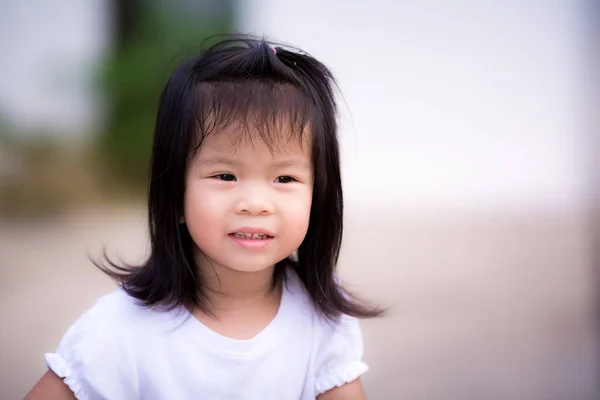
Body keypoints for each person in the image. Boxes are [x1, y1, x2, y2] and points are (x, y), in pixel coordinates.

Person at [25, 36, 382, 400]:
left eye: (284, 179)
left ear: (317, 196)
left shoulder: (322, 319)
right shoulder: (117, 331)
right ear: (174, 194)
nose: (256, 203)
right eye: (225, 176)